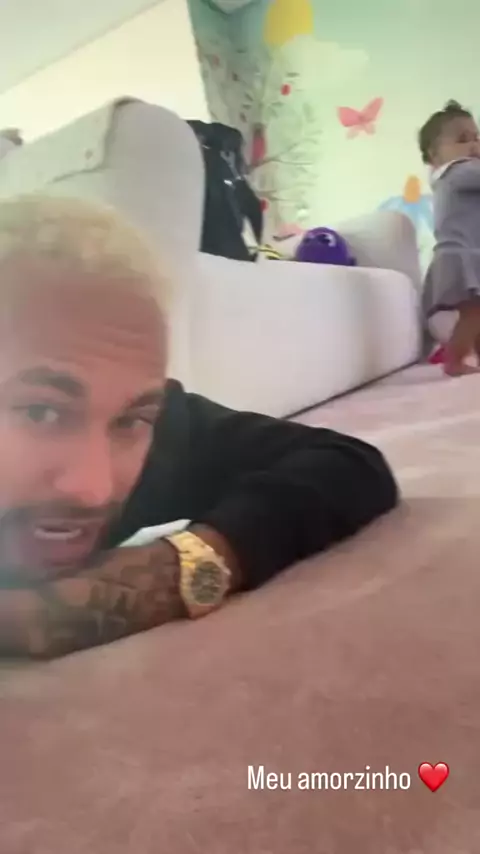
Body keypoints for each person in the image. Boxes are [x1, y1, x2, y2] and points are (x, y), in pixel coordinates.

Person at [0, 194, 398, 659]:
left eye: (131, 420)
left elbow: (349, 467)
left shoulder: (163, 434)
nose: (95, 490)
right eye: (42, 412)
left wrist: (158, 579)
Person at [418, 100, 480, 375]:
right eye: (463, 140)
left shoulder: (457, 177)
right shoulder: (457, 171)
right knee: (474, 312)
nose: (474, 145)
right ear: (435, 155)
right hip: (461, 255)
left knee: (475, 313)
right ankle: (454, 361)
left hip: (465, 253)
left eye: (477, 137)